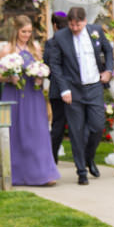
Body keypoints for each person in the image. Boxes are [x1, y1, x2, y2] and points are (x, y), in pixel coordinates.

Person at [47, 6, 114, 184]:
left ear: (85, 21)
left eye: (78, 25)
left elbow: (108, 50)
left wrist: (108, 70)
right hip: (73, 89)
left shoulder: (96, 31)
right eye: (71, 25)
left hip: (94, 87)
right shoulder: (60, 37)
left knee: (98, 126)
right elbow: (55, 65)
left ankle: (88, 157)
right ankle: (81, 171)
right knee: (76, 131)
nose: (75, 28)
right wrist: (64, 89)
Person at [0, 16, 60, 187]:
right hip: (13, 94)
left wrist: (40, 77)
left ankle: (43, 173)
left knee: (37, 132)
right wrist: (9, 79)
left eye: (30, 31)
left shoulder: (35, 47)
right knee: (15, 132)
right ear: (16, 30)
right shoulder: (7, 49)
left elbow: (41, 67)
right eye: (24, 31)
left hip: (33, 94)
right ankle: (15, 174)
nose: (27, 34)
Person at [44, 11, 69, 161]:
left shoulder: (51, 43)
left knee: (58, 125)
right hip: (73, 88)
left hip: (57, 89)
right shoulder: (73, 40)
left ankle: (52, 158)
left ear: (54, 25)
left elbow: (47, 67)